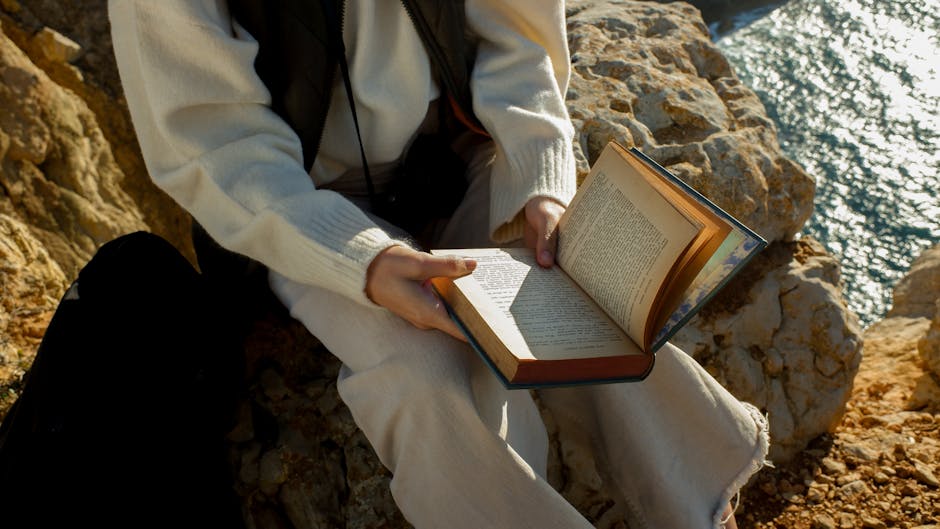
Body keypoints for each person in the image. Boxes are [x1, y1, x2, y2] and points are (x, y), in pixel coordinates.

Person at [107, 1, 769, 527]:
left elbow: (516, 34)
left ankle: (698, 508)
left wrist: (538, 178)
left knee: (580, 285)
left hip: (454, 146)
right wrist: (362, 261)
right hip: (298, 208)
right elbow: (213, 142)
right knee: (421, 376)